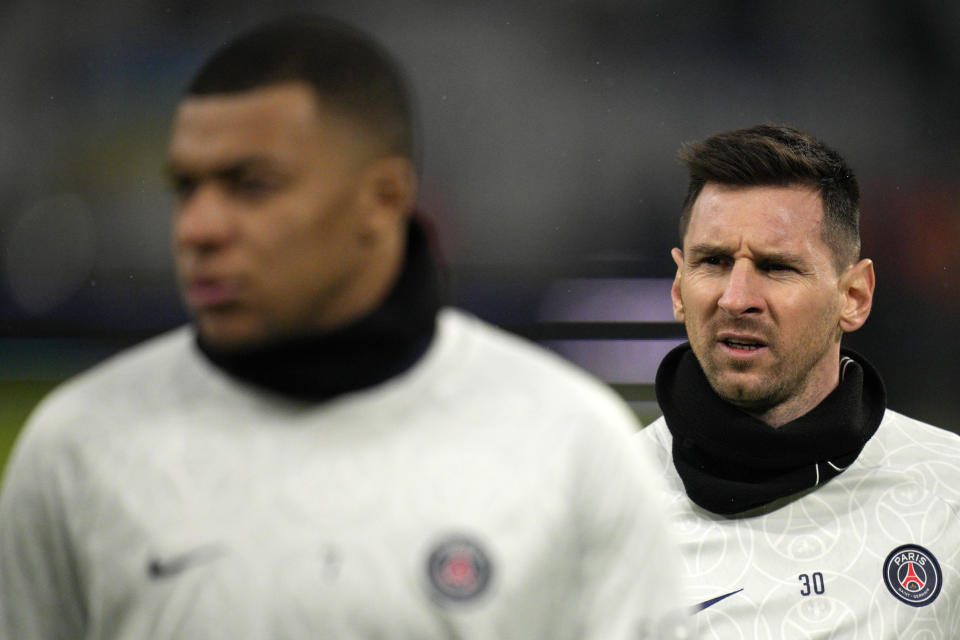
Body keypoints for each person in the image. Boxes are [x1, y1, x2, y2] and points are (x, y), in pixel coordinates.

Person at [0, 15, 693, 640]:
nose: (198, 228)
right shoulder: (73, 452)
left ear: (383, 200)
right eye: (187, 187)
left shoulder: (572, 444)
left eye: (252, 185)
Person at [638, 123, 960, 637]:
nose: (736, 297)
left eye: (777, 267)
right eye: (714, 262)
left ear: (853, 296)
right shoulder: (596, 508)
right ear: (679, 287)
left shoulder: (949, 495)